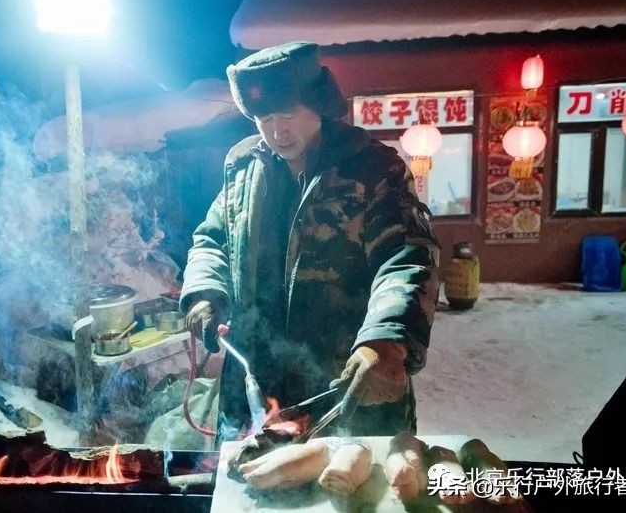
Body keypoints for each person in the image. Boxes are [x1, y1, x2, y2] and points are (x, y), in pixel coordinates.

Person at [180, 42, 440, 441]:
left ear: (318, 104)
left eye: (288, 115)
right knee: (248, 490)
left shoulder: (371, 169)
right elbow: (213, 239)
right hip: (254, 381)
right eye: (264, 119)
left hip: (344, 385)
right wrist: (204, 292)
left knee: (353, 490)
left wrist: (385, 340)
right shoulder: (244, 167)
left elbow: (405, 258)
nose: (277, 132)